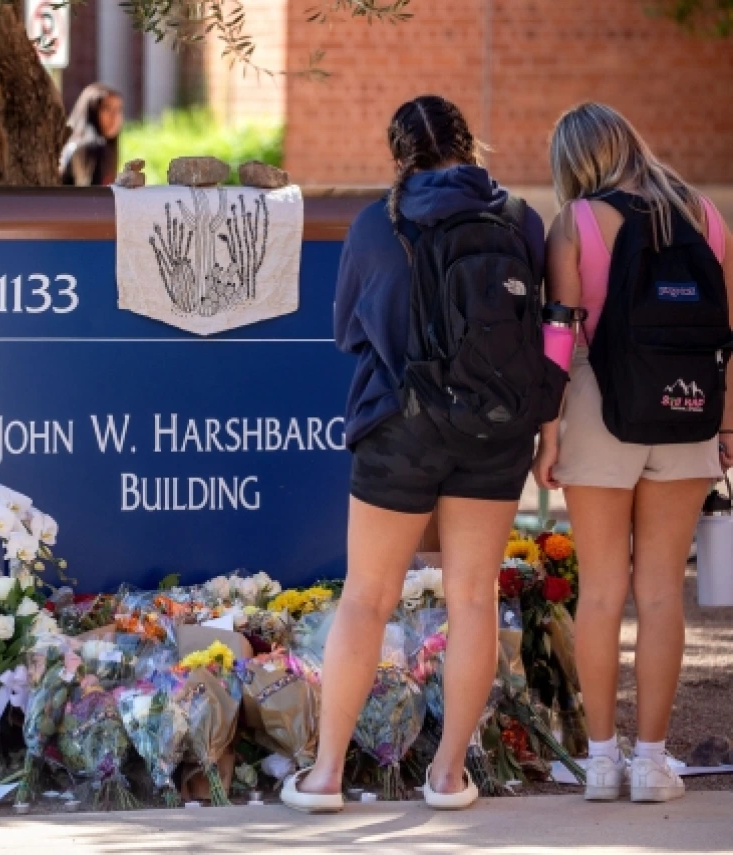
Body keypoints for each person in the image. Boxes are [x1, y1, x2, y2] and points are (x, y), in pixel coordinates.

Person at [281, 95, 551, 813]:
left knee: (367, 597)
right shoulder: (522, 219)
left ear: (398, 155)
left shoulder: (380, 222)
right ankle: (448, 774)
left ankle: (327, 775)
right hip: (496, 431)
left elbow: (348, 329)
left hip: (400, 426)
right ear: (471, 145)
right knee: (472, 599)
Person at [535, 102, 733, 803]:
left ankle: (601, 759)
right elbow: (727, 331)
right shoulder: (706, 217)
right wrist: (727, 427)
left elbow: (560, 335)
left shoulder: (578, 222)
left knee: (602, 591)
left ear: (574, 161)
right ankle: (652, 762)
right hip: (688, 408)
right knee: (659, 592)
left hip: (598, 406)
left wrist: (549, 430)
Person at [60, 83, 123, 187]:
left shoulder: (74, 143)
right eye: (107, 108)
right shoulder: (91, 147)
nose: (114, 117)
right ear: (92, 112)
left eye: (118, 109)